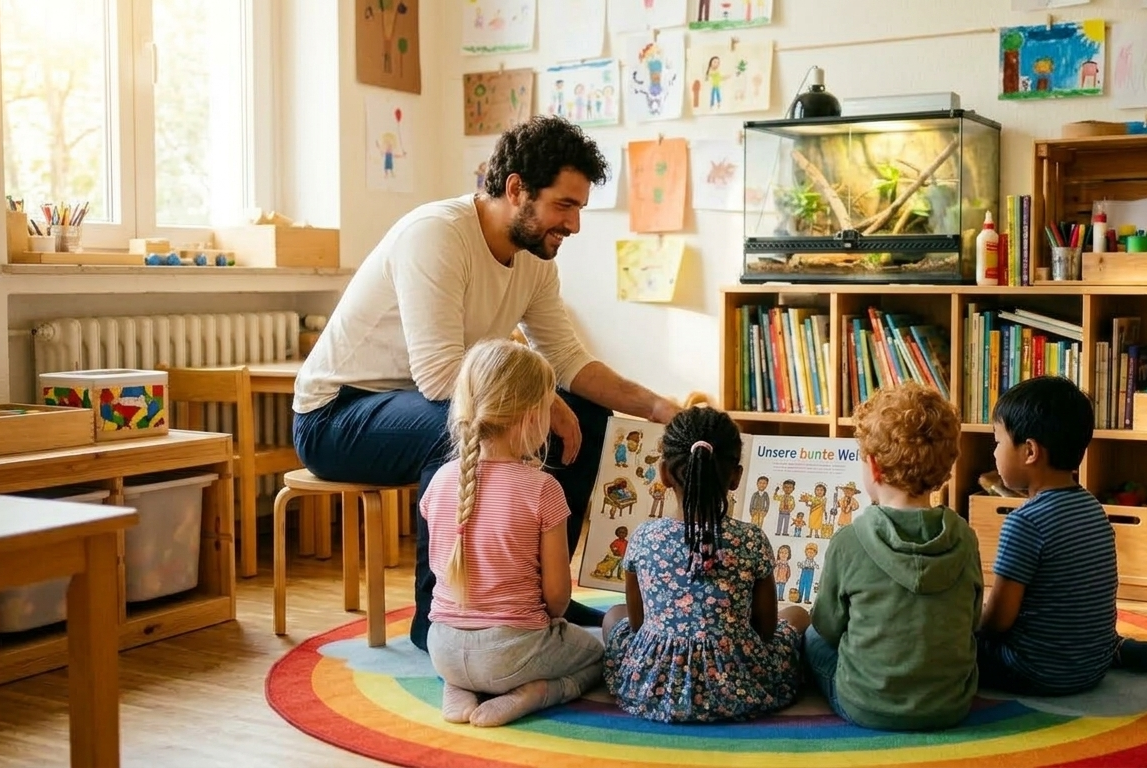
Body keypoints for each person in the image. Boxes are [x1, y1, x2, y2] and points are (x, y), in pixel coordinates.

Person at [291, 115, 680, 650]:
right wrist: (541, 399)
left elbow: (566, 359)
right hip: (336, 416)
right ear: (517, 188)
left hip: (419, 406)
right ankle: (441, 619)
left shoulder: (536, 258)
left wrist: (658, 406)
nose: (574, 225)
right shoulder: (436, 235)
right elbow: (440, 377)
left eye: (579, 209)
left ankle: (542, 594)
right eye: (564, 205)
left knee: (586, 413)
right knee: (457, 427)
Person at [422, 340, 603, 727]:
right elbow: (556, 600)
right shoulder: (542, 489)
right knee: (602, 654)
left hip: (442, 647)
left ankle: (457, 685)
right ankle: (533, 694)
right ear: (530, 416)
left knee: (471, 657)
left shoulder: (439, 481)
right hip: (511, 653)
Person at [979, 376, 1147, 697]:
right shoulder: (1092, 508)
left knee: (952, 646)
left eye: (997, 441)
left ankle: (1115, 650)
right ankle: (1120, 650)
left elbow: (998, 622)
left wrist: (970, 626)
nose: (994, 453)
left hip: (1034, 670)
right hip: (1092, 663)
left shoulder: (1023, 523)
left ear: (1029, 451)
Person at [601, 407, 809, 723]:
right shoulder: (750, 539)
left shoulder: (644, 536)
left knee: (612, 614)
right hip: (737, 684)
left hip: (655, 684)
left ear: (664, 473)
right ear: (736, 477)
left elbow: (637, 624)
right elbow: (765, 631)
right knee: (798, 614)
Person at [805, 383, 982, 731]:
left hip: (866, 704)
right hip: (951, 704)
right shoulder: (965, 536)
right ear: (946, 467)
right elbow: (973, 620)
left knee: (809, 639)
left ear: (873, 467)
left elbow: (827, 625)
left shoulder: (849, 540)